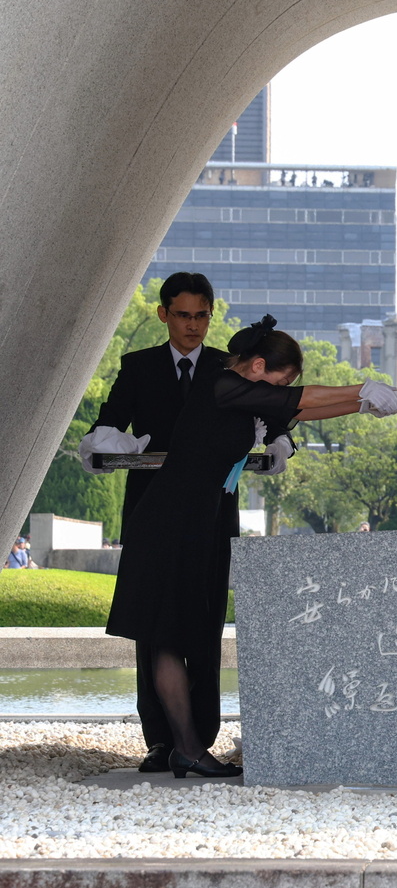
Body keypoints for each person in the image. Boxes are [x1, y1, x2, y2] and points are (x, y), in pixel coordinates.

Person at [105, 315, 397, 779]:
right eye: (280, 379)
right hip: (168, 522)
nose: (283, 389)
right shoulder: (221, 385)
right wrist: (361, 387)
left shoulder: (243, 397)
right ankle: (186, 747)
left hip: (189, 523)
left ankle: (186, 746)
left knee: (172, 635)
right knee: (165, 637)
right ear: (258, 366)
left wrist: (358, 405)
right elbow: (297, 399)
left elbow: (299, 409)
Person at [78, 272, 293, 774]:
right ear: (163, 315)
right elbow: (108, 422)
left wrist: (281, 443)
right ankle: (162, 740)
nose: (193, 325)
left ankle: (199, 738)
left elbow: (279, 409)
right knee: (153, 629)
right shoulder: (139, 367)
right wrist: (100, 445)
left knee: (205, 622)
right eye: (183, 315)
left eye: (201, 315)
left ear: (210, 316)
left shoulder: (230, 365)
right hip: (153, 507)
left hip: (214, 512)